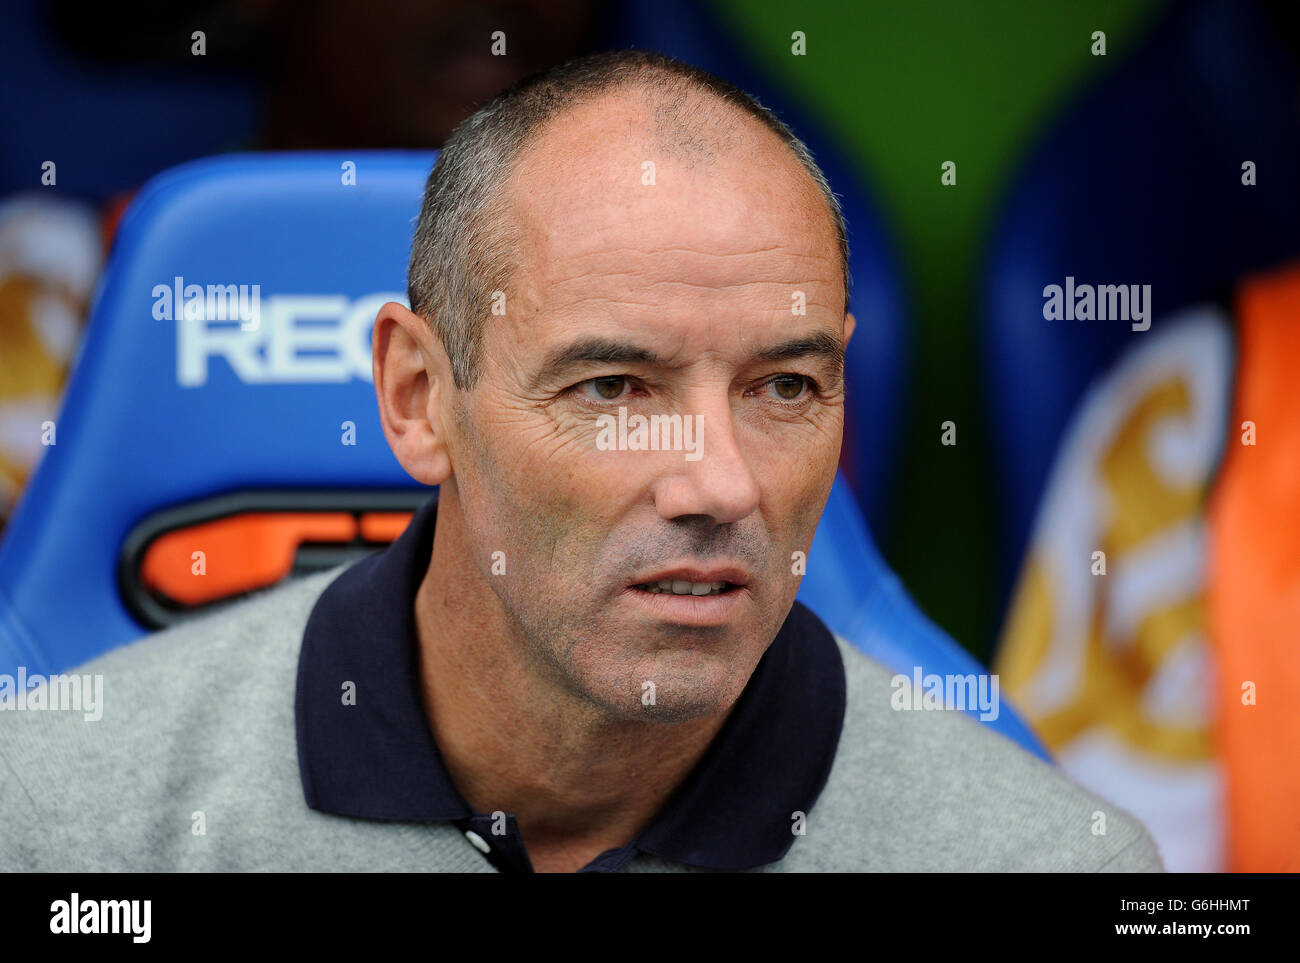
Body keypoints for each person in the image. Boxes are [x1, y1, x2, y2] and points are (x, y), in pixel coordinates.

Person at [0, 50, 1163, 873]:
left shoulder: (1049, 864)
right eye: (613, 387)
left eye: (785, 387)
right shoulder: (50, 825)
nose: (719, 484)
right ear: (416, 400)